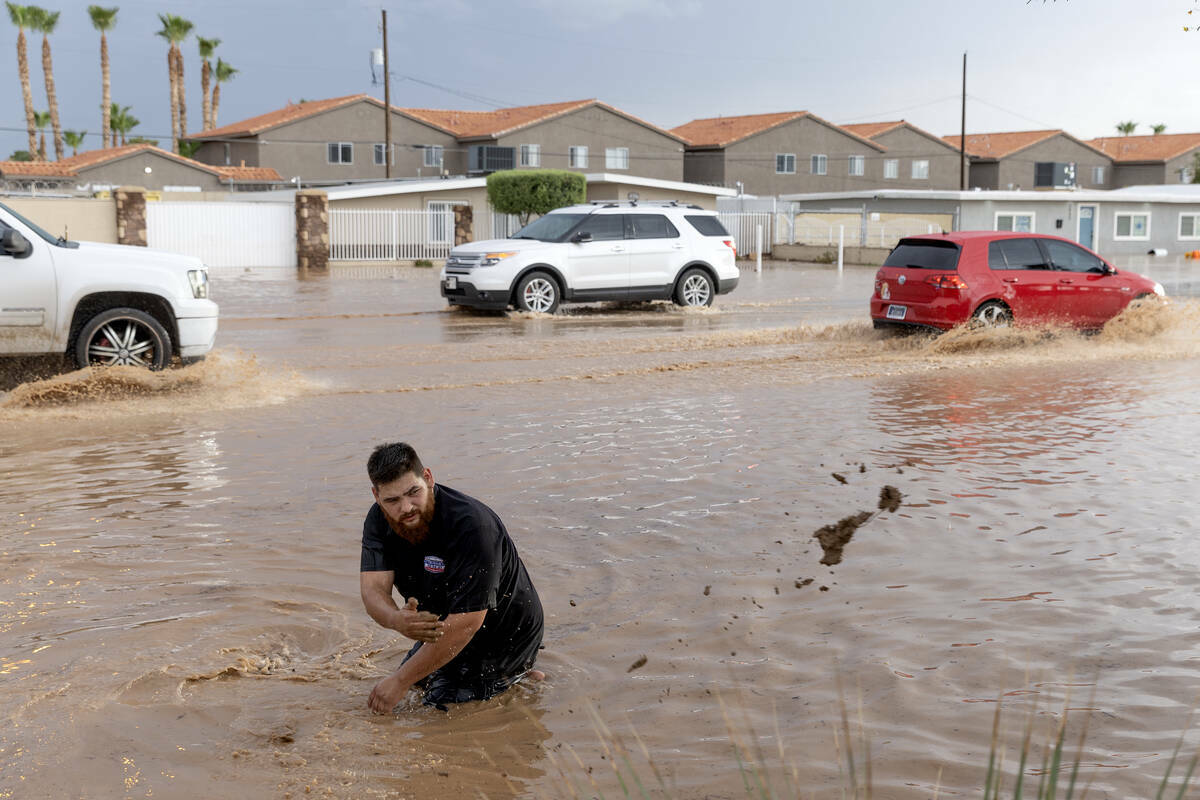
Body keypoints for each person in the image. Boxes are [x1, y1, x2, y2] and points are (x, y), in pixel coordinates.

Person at [359, 442, 544, 713]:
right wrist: (395, 619)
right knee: (415, 686)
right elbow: (373, 589)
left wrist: (399, 680)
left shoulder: (473, 525)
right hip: (448, 623)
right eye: (392, 500)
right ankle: (517, 677)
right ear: (376, 496)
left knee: (440, 707)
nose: (406, 507)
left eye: (413, 492)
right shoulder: (378, 520)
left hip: (504, 632)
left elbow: (468, 622)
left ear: (429, 478)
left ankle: (518, 673)